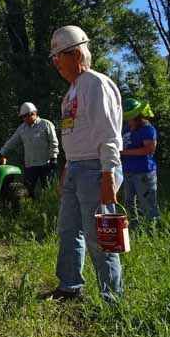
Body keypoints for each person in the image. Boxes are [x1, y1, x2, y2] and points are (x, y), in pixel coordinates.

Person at [47, 25, 124, 303]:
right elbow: (74, 134)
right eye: (54, 58)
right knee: (68, 230)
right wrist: (66, 168)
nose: (56, 63)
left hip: (96, 168)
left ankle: (111, 299)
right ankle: (69, 287)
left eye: (60, 56)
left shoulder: (94, 84)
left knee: (99, 236)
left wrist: (108, 175)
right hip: (77, 168)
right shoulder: (71, 92)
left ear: (77, 54)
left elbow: (108, 134)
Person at [0, 102, 59, 198]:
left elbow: (54, 142)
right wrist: (1, 152)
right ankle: (29, 208)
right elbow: (12, 141)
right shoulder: (22, 129)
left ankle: (49, 208)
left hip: (46, 164)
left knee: (48, 190)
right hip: (30, 165)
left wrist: (54, 157)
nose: (23, 119)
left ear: (33, 113)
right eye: (22, 117)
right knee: (27, 190)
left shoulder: (46, 124)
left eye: (25, 116)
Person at [120, 98, 159, 227]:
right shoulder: (126, 129)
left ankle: (152, 227)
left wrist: (124, 152)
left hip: (143, 172)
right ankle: (134, 227)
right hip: (127, 171)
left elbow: (149, 149)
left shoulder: (147, 129)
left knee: (147, 202)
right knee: (129, 202)